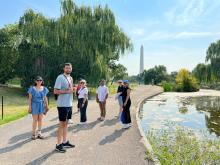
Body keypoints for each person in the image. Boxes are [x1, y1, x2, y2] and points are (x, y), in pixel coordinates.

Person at [54, 63, 75, 153]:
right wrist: (67, 91)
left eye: (69, 68)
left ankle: (65, 141)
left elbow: (70, 90)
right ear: (64, 69)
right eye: (67, 68)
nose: (68, 69)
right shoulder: (60, 77)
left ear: (71, 69)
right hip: (62, 104)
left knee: (66, 124)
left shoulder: (71, 78)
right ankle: (58, 145)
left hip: (69, 104)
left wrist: (73, 90)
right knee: (61, 124)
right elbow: (55, 91)